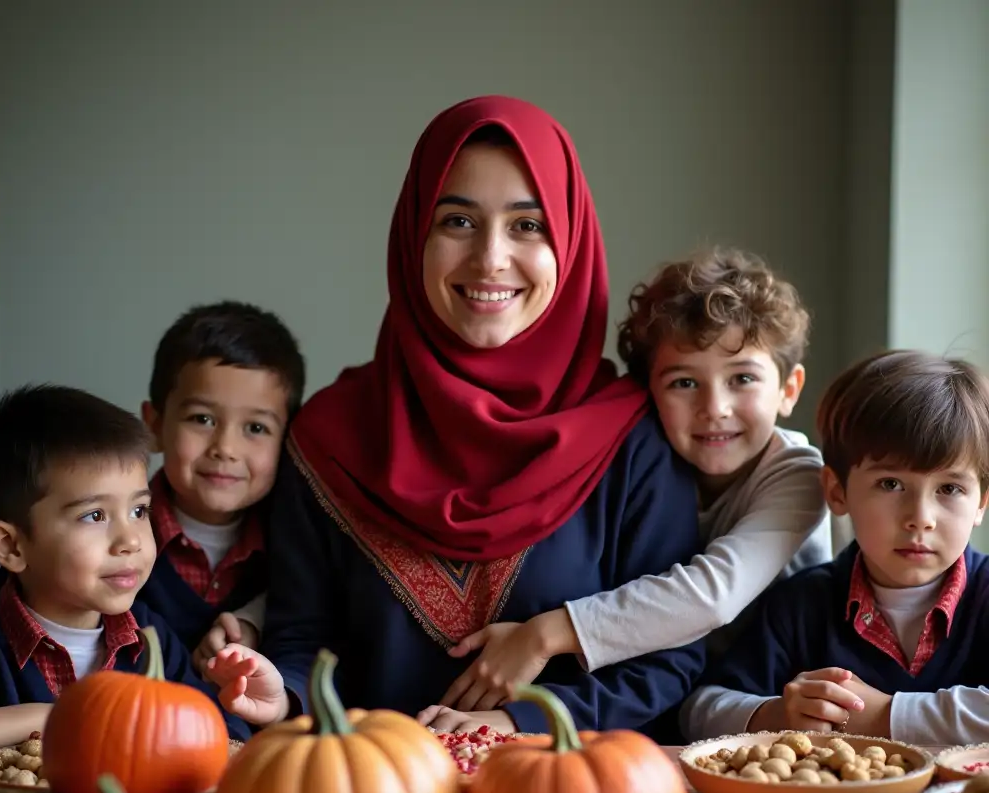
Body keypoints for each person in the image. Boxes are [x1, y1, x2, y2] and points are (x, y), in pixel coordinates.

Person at [211, 95, 706, 737]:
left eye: (528, 226)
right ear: (413, 233)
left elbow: (667, 662)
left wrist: (516, 722)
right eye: (457, 222)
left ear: (572, 243)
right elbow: (304, 642)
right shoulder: (328, 440)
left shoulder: (633, 440)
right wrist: (282, 696)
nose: (490, 258)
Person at [439, 248, 831, 716]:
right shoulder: (650, 468)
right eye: (684, 383)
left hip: (778, 698)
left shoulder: (798, 474)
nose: (715, 408)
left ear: (789, 390)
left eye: (742, 378)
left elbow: (713, 596)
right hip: (687, 697)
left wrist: (544, 636)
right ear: (647, 395)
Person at [0, 385, 290, 763]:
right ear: (11, 547)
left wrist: (244, 699)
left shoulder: (151, 641)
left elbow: (218, 741)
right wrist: (49, 717)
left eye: (139, 511)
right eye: (95, 516)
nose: (130, 541)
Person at [687, 350, 989, 745]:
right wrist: (776, 714)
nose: (921, 517)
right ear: (837, 491)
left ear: (981, 503)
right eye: (890, 485)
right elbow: (699, 709)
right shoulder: (801, 604)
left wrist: (884, 717)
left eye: (950, 489)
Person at [138, 300, 305, 670]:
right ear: (154, 426)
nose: (225, 449)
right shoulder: (117, 537)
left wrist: (253, 623)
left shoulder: (297, 545)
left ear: (288, 442)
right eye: (202, 419)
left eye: (256, 428)